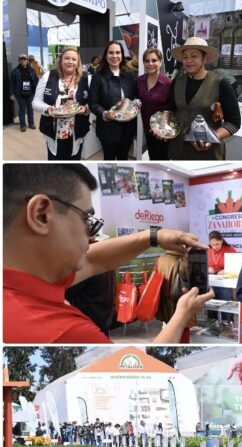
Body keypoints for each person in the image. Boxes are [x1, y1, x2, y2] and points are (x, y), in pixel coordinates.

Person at [3, 164, 214, 344]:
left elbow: (95, 260)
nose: (90, 235)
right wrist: (183, 314)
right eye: (87, 219)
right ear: (41, 215)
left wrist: (154, 235)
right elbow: (145, 368)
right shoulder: (64, 333)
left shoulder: (25, 283)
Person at [168, 37, 241, 160]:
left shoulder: (220, 84)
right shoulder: (176, 82)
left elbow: (234, 122)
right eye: (185, 57)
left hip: (208, 154)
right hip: (178, 151)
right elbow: (172, 112)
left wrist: (213, 137)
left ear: (205, 58)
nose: (188, 61)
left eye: (194, 56)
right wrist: (163, 127)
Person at [32, 47, 92, 160]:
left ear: (78, 62)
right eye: (67, 58)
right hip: (53, 131)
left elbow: (93, 102)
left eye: (74, 59)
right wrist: (48, 109)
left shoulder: (86, 78)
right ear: (60, 60)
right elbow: (35, 102)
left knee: (74, 162)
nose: (70, 62)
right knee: (55, 164)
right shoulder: (48, 76)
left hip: (76, 132)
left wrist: (85, 109)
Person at [89, 41, 138, 160]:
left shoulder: (129, 74)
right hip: (107, 128)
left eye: (118, 52)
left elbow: (134, 97)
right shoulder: (98, 76)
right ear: (106, 56)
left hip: (127, 127)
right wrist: (104, 113)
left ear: (122, 55)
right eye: (111, 53)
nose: (115, 56)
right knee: (109, 158)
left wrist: (136, 103)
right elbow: (93, 102)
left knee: (123, 158)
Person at [137, 48, 172, 160]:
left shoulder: (168, 83)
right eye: (147, 61)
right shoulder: (139, 81)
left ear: (160, 62)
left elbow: (173, 108)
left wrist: (163, 127)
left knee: (163, 158)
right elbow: (135, 99)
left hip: (163, 130)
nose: (150, 64)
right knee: (152, 157)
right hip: (147, 128)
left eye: (154, 60)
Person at [156, 249, 194, 343]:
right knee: (183, 328)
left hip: (164, 301)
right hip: (180, 300)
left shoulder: (161, 259)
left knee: (169, 327)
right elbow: (192, 279)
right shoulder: (183, 261)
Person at [10, 54, 38, 132]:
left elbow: (36, 81)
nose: (23, 61)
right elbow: (12, 83)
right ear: (19, 61)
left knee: (30, 109)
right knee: (22, 110)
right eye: (21, 59)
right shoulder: (15, 71)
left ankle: (31, 123)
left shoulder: (32, 70)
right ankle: (22, 125)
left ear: (27, 60)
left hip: (31, 93)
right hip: (20, 94)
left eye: (25, 59)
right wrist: (12, 94)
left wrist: (37, 91)